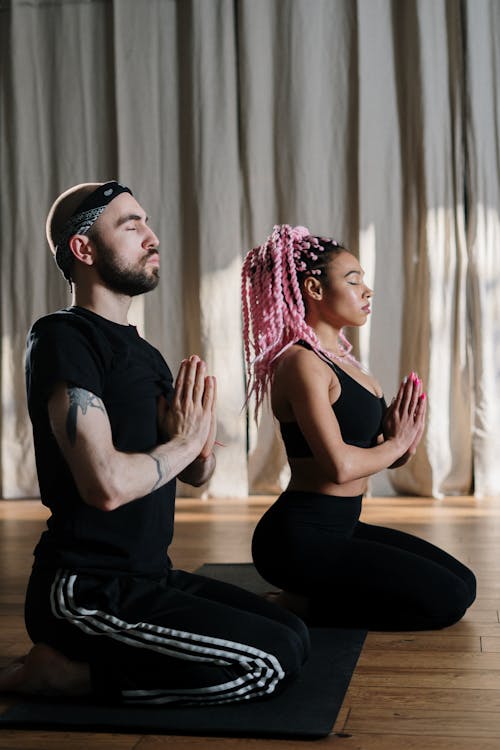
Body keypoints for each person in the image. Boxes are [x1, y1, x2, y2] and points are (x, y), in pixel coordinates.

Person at [0, 183, 309, 704]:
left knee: (294, 635)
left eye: (146, 222)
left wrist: (199, 444)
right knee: (267, 665)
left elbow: (194, 474)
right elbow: (107, 486)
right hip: (84, 590)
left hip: (150, 575)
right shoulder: (63, 336)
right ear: (83, 249)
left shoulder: (144, 353)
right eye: (130, 225)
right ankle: (62, 676)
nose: (152, 236)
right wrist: (183, 443)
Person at [241, 224, 476, 631]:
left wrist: (403, 443)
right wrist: (395, 443)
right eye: (353, 280)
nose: (367, 290)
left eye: (364, 280)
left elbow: (379, 457)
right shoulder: (301, 364)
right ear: (314, 289)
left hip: (345, 525)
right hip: (298, 539)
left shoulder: (349, 365)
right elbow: (341, 467)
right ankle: (299, 606)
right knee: (446, 602)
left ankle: (316, 595)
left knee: (465, 584)